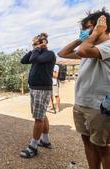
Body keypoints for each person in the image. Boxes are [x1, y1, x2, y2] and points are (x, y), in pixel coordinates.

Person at [58, 8, 110, 169]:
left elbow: (83, 51)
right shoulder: (88, 46)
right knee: (87, 143)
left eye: (88, 27)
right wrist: (81, 38)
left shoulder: (107, 45)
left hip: (99, 107)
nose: (85, 31)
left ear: (102, 27)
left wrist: (93, 35)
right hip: (82, 103)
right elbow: (63, 53)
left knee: (103, 148)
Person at [20, 33, 56, 158]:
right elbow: (24, 60)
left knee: (38, 118)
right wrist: (34, 48)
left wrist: (38, 47)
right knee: (42, 115)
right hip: (35, 88)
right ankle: (45, 141)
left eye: (35, 43)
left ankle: (33, 147)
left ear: (43, 42)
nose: (34, 45)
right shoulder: (36, 53)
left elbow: (34, 60)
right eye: (33, 43)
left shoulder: (49, 54)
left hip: (42, 89)